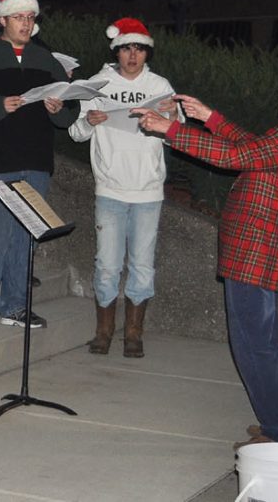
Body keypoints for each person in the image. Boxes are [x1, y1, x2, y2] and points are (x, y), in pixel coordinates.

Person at [135, 58, 278, 449]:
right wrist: (210, 118)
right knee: (265, 342)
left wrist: (171, 129)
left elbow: (232, 158)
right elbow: (253, 148)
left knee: (253, 345)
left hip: (256, 249)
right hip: (258, 246)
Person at [0, 0, 78, 330]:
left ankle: (16, 306)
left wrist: (58, 107)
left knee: (25, 237)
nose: (26, 23)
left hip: (35, 158)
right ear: (2, 19)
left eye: (30, 17)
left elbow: (69, 112)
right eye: (19, 17)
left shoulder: (45, 58)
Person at [68, 18, 178, 357]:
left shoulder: (160, 85)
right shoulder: (97, 84)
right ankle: (104, 331)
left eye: (139, 49)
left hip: (148, 190)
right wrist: (89, 121)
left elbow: (175, 135)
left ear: (147, 53)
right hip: (110, 188)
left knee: (143, 265)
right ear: (117, 51)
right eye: (127, 49)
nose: (133, 56)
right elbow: (75, 132)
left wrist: (172, 117)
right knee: (107, 264)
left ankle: (134, 334)